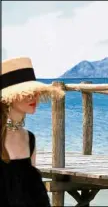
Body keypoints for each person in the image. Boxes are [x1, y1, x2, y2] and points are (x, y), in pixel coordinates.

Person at [0, 57, 65, 206]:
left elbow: (36, 194)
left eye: (35, 91)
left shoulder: (29, 138)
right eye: (26, 92)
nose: (33, 97)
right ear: (8, 98)